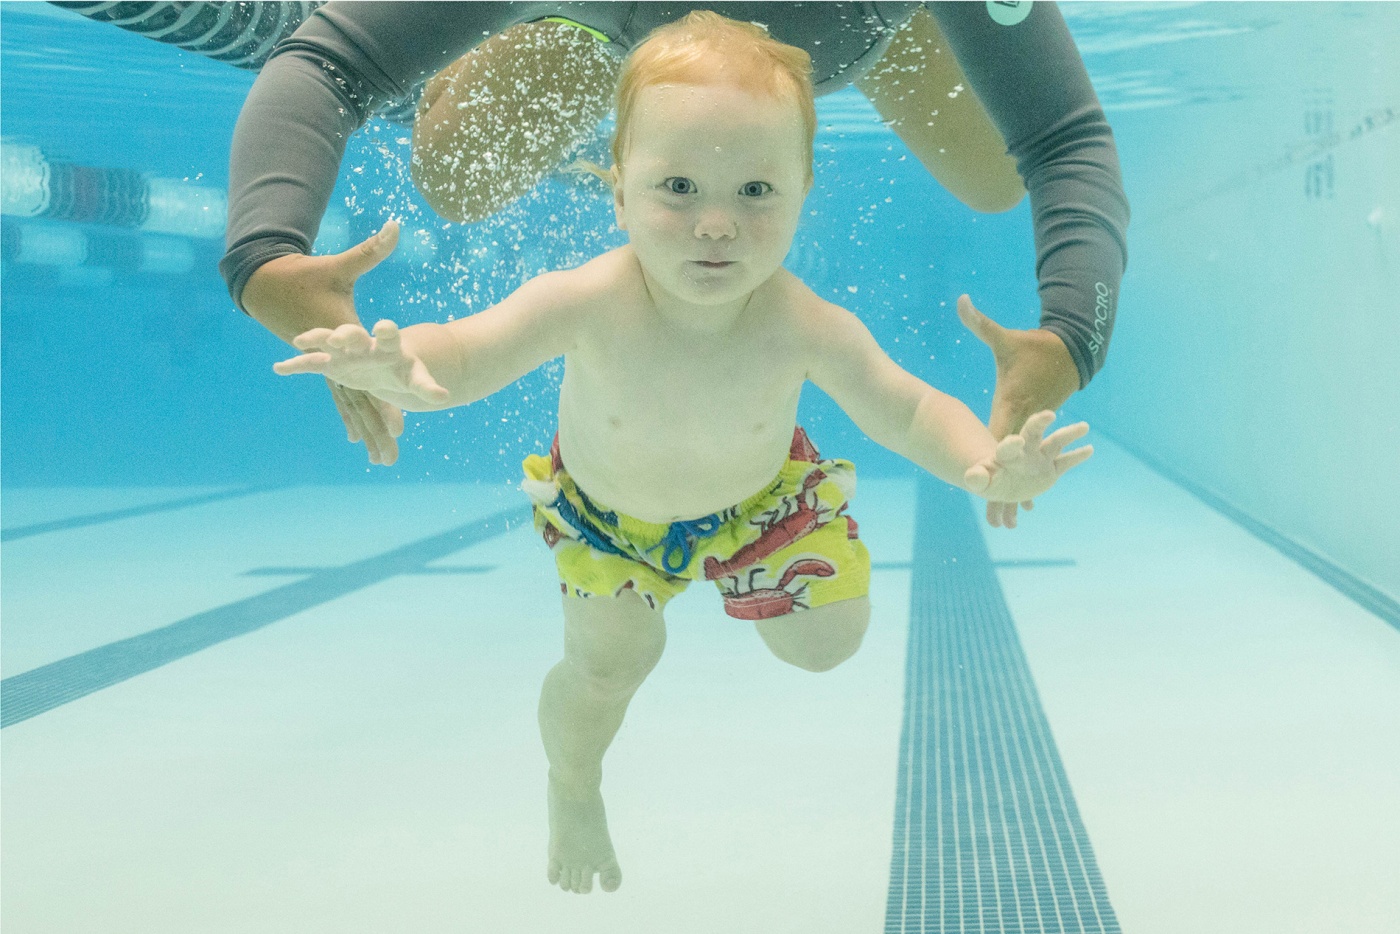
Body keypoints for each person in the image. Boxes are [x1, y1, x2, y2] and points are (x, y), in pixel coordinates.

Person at [271, 12, 1095, 895]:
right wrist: (398, 366)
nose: (715, 225)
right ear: (618, 192)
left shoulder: (800, 320)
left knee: (828, 644)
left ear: (803, 190)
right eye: (677, 188)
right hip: (608, 525)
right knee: (608, 669)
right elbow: (467, 354)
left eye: (754, 193)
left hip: (766, 505)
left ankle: (753, 593)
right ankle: (573, 781)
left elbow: (906, 407)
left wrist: (984, 459)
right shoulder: (584, 299)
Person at [223, 1, 1129, 529]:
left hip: (854, 28)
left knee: (996, 179)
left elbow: (1063, 136)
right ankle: (635, 146)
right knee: (456, 177)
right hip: (613, 30)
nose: (720, 229)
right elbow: (330, 59)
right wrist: (267, 251)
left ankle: (664, 165)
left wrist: (1071, 336)